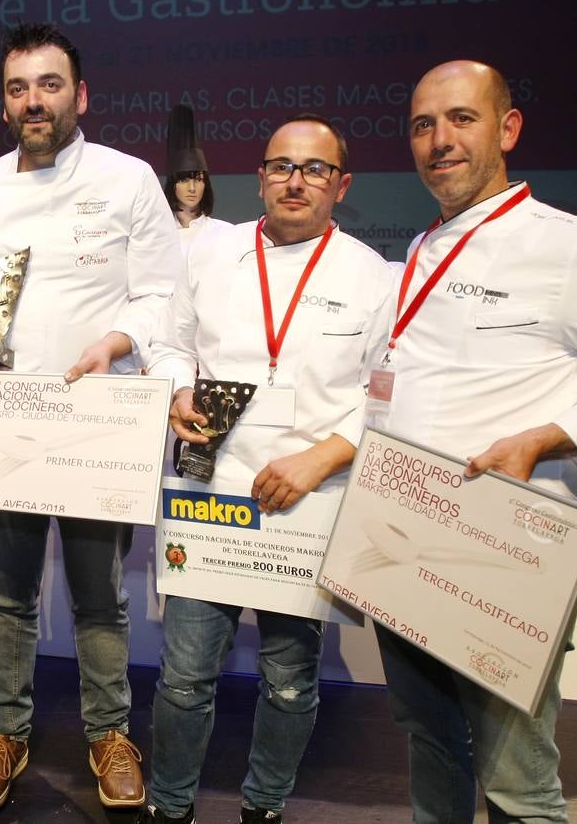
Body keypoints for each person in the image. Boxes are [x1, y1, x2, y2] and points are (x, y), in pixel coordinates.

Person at [372, 60, 577, 823]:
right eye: (424, 125)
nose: (439, 140)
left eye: (462, 119)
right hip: (402, 542)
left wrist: (544, 440)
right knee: (429, 748)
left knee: (517, 778)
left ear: (508, 128)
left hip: (502, 552)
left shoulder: (574, 250)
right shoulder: (419, 251)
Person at [0, 22, 181, 812]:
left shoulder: (129, 178)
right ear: (3, 103)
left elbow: (159, 293)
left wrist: (116, 341)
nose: (33, 100)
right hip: (3, 414)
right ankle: (5, 731)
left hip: (92, 422)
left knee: (98, 598)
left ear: (79, 95)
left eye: (49, 85)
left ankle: (109, 732)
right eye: (18, 88)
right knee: (5, 597)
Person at [144, 115, 395, 824]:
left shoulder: (372, 276)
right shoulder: (210, 255)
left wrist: (322, 457)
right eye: (281, 165)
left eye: (315, 168)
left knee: (288, 683)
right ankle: (169, 808)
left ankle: (265, 808)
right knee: (186, 678)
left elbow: (387, 393)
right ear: (259, 178)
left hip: (303, 501)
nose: (295, 180)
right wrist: (177, 389)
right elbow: (168, 345)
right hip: (211, 491)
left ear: (341, 185)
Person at [163, 105, 229, 253]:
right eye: (184, 180)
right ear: (173, 184)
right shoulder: (158, 235)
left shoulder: (225, 233)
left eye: (198, 180)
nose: (192, 188)